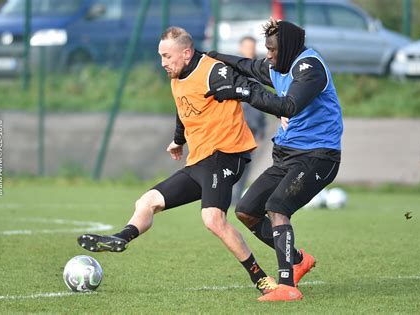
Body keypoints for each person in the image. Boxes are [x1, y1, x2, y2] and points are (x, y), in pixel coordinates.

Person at [77, 27, 278, 295]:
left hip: (226, 154)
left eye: (167, 56)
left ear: (186, 52)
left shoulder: (212, 71)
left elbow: (250, 88)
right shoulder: (176, 77)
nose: (163, 63)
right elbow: (182, 110)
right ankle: (121, 237)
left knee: (213, 219)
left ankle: (261, 280)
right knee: (147, 201)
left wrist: (281, 109)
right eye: (160, 56)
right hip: (199, 162)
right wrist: (178, 140)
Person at [205, 18, 343, 301]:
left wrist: (244, 91)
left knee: (277, 206)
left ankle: (287, 285)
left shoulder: (309, 68)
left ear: (289, 48)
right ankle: (298, 259)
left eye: (272, 49)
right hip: (287, 155)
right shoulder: (277, 64)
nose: (267, 55)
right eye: (267, 49)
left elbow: (289, 106)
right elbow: (247, 66)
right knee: (246, 210)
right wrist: (212, 57)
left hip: (318, 156)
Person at [232, 36, 267, 205]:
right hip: (235, 128)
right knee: (231, 165)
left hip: (252, 130)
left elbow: (264, 102)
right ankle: (226, 198)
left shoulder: (259, 72)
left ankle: (236, 199)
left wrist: (261, 129)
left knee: (245, 166)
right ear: (240, 48)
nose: (250, 50)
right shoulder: (232, 71)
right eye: (247, 47)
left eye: (252, 47)